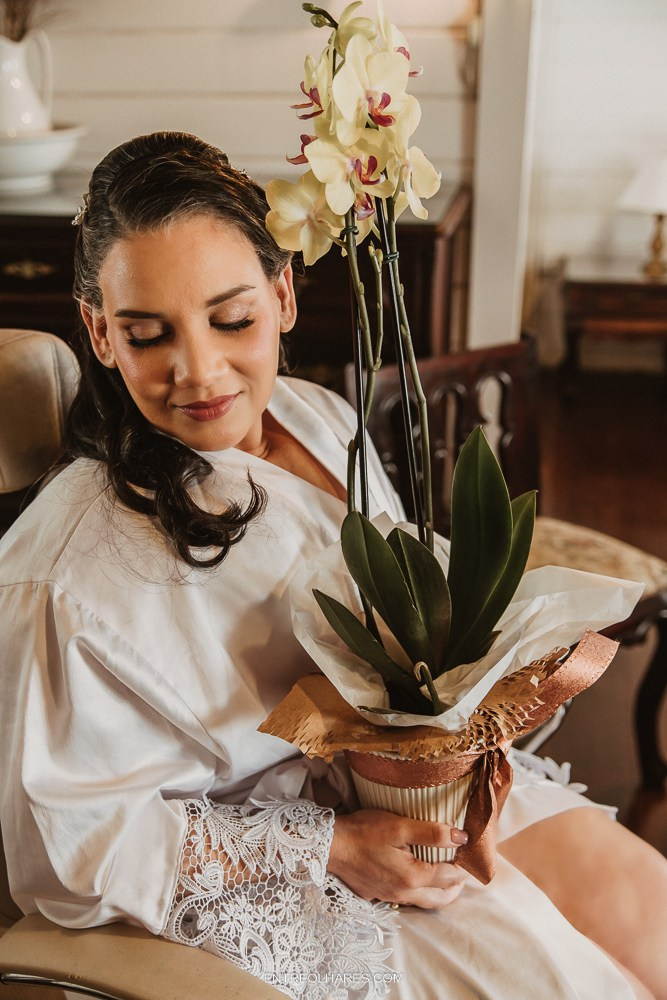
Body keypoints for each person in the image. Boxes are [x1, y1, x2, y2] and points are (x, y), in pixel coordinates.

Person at [0, 131, 665, 1000]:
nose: (199, 371)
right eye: (147, 334)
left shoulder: (317, 418)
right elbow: (69, 849)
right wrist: (334, 847)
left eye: (231, 319)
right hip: (277, 861)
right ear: (97, 330)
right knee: (580, 979)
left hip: (405, 788)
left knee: (650, 922)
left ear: (281, 295)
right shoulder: (70, 571)